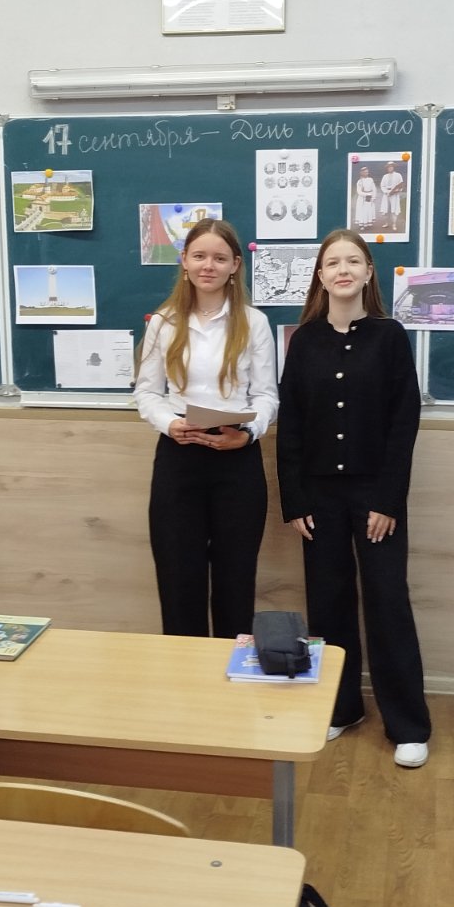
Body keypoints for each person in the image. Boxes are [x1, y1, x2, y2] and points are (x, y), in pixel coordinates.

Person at [276, 229, 432, 768]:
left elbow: (403, 423)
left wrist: (388, 500)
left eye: (353, 261)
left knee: (388, 603)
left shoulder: (390, 337)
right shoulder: (305, 341)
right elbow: (292, 425)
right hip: (319, 496)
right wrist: (294, 501)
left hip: (375, 495)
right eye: (332, 263)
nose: (342, 270)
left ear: (368, 273)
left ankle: (407, 724)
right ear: (320, 277)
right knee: (328, 603)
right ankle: (340, 707)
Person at [133, 218, 277, 638]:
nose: (208, 266)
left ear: (235, 265)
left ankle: (231, 672)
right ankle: (186, 675)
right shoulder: (164, 322)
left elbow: (267, 396)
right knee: (179, 581)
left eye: (219, 258)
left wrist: (247, 434)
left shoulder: (254, 322)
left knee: (236, 582)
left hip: (237, 458)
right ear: (184, 261)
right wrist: (170, 424)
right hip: (179, 457)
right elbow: (147, 392)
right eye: (199, 256)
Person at [379, 161, 405, 232]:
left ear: (393, 167)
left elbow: (401, 185)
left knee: (394, 209)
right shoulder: (385, 176)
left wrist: (397, 190)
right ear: (387, 168)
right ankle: (386, 223)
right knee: (385, 209)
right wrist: (386, 192)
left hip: (394, 195)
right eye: (388, 167)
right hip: (386, 194)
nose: (390, 168)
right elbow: (382, 186)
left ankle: (394, 224)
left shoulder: (398, 175)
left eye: (391, 167)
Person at [353, 165, 379, 231]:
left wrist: (373, 196)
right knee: (362, 211)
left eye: (367, 172)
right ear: (361, 173)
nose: (366, 173)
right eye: (365, 172)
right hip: (362, 198)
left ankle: (367, 224)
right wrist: (367, 194)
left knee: (368, 210)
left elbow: (374, 189)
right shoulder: (359, 181)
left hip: (370, 197)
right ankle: (362, 225)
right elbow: (359, 191)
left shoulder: (370, 179)